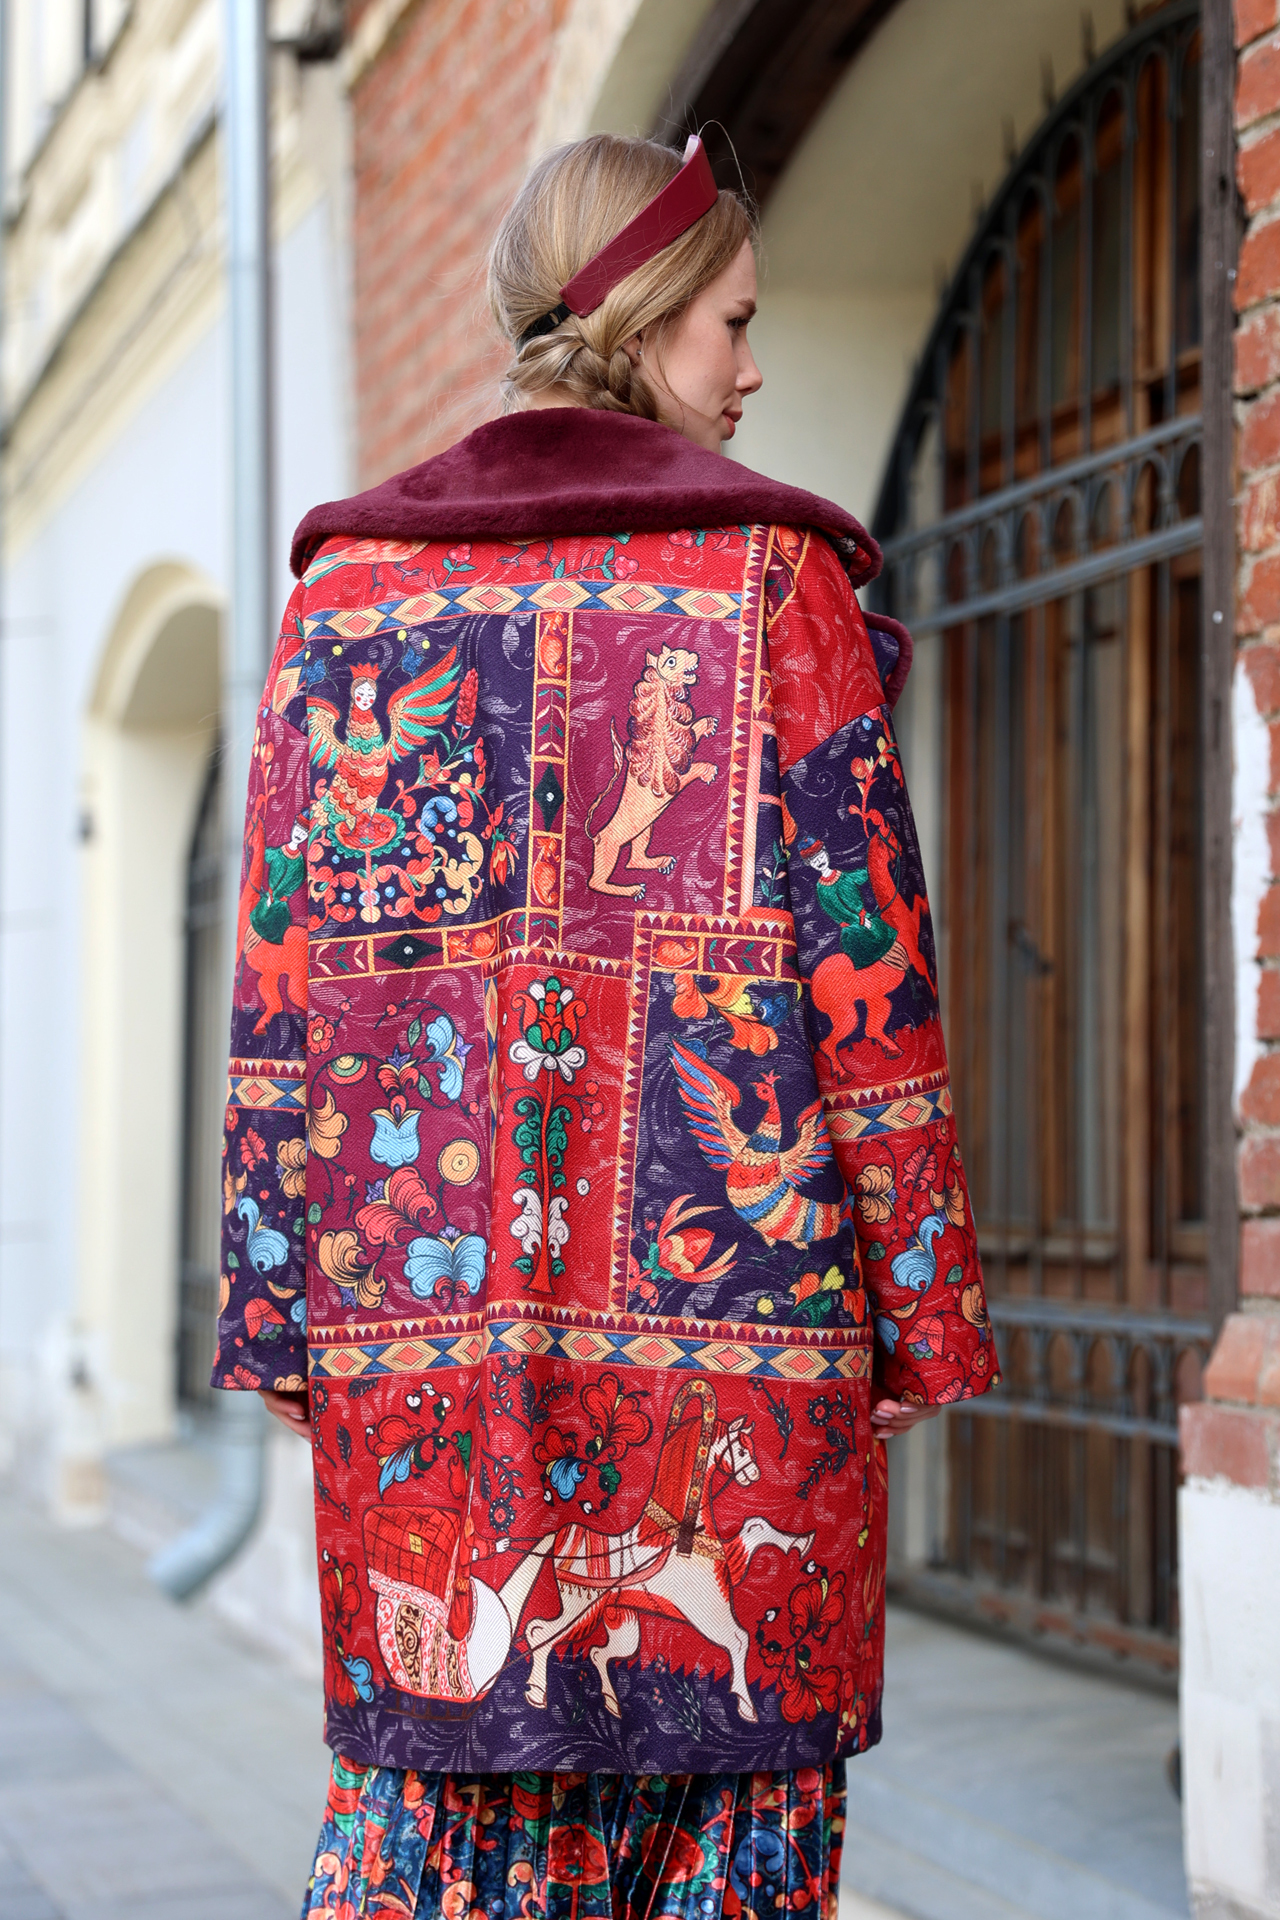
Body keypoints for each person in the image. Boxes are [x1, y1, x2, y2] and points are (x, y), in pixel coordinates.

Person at [214, 130, 998, 1920]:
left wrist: (273, 1317)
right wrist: (920, 1322)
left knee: (431, 1830)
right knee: (732, 1837)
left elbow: (280, 996)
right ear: (643, 321)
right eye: (735, 321)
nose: (752, 367)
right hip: (746, 1370)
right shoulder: (774, 581)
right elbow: (875, 988)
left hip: (432, 1378)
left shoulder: (347, 599)